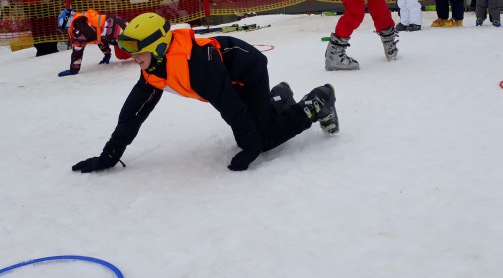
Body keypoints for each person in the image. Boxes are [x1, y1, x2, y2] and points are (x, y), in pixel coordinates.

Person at [71, 13, 339, 173]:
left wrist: (253, 147)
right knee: (250, 130)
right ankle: (279, 96)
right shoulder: (154, 66)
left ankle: (318, 101)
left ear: (159, 47)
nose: (133, 59)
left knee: (262, 139)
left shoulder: (197, 66)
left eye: (137, 52)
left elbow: (229, 106)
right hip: (230, 80)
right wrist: (109, 156)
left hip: (249, 72)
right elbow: (133, 113)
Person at [56, 9, 132, 76]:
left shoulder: (80, 27)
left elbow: (77, 50)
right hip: (118, 27)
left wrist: (73, 69)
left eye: (65, 29)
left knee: (128, 51)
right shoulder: (83, 20)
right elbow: (99, 38)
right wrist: (107, 53)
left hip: (121, 30)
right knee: (123, 53)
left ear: (67, 22)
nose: (67, 31)